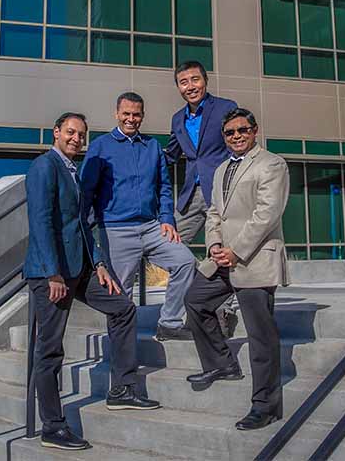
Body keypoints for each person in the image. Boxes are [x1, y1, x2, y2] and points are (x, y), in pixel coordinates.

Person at [24, 112, 160, 452]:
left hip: (80, 269)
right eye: (70, 132)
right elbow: (40, 221)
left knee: (123, 307)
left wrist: (98, 262)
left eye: (81, 134)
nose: (76, 139)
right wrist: (52, 272)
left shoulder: (73, 172)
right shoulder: (45, 167)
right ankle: (52, 427)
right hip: (52, 274)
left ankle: (122, 389)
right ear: (56, 132)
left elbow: (83, 223)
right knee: (50, 350)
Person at [184, 108, 290, 431]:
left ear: (254, 130)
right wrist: (215, 244)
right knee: (195, 300)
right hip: (223, 259)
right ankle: (222, 364)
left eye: (242, 130)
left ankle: (265, 406)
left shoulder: (272, 164)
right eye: (229, 133)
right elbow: (215, 212)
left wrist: (236, 250)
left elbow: (267, 214)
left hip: (254, 259)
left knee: (260, 337)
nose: (236, 137)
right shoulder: (219, 171)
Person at [80, 92, 197, 342]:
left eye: (136, 114)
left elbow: (164, 187)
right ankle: (121, 354)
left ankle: (170, 322)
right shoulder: (100, 146)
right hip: (115, 230)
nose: (131, 119)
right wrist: (91, 229)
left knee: (185, 261)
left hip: (152, 227)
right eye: (126, 114)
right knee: (121, 294)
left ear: (142, 115)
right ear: (117, 113)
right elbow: (86, 191)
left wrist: (167, 218)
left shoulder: (152, 146)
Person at [164, 61, 239, 336]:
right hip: (190, 193)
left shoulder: (224, 107)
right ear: (178, 87)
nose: (190, 86)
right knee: (170, 246)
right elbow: (171, 154)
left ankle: (226, 308)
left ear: (205, 81)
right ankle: (205, 282)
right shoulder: (177, 119)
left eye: (195, 80)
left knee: (221, 249)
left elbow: (237, 141)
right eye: (184, 82)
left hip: (220, 189)